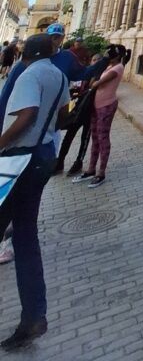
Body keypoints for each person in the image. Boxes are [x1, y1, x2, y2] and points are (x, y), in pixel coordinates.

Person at [0, 34, 69, 350]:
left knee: (20, 232)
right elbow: (64, 118)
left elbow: (25, 116)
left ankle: (33, 317)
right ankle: (33, 316)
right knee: (26, 237)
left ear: (25, 54)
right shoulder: (58, 75)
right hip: (43, 156)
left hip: (18, 160)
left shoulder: (30, 75)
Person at [73, 45, 124, 188]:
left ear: (117, 56)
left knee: (102, 138)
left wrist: (95, 79)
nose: (107, 55)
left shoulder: (117, 68)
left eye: (110, 54)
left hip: (106, 106)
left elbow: (96, 83)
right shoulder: (109, 67)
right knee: (95, 137)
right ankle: (91, 169)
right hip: (97, 105)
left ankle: (101, 173)